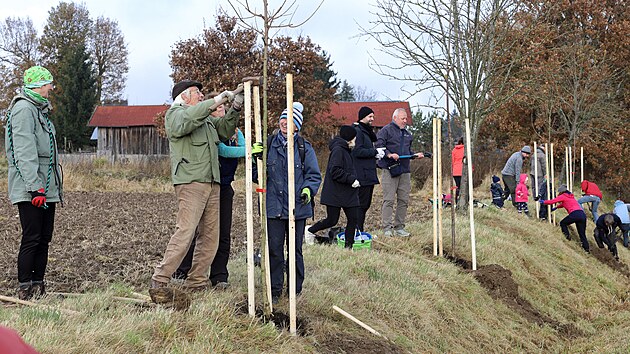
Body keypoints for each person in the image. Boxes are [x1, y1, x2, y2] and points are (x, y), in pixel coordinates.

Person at [150, 80, 243, 292]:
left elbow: (225, 131)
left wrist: (235, 107)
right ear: (183, 97)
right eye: (197, 92)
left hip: (212, 182)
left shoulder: (205, 120)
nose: (201, 96)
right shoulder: (175, 115)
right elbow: (192, 117)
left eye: (202, 93)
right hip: (191, 182)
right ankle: (161, 278)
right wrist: (218, 99)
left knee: (211, 236)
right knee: (186, 231)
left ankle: (197, 281)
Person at [173, 92, 245, 289]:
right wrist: (248, 152)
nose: (221, 110)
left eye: (224, 107)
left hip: (224, 187)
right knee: (196, 231)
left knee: (221, 233)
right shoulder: (205, 126)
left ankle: (219, 275)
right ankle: (183, 271)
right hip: (205, 184)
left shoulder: (234, 132)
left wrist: (236, 107)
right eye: (218, 107)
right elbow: (223, 150)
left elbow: (241, 145)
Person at [5, 66, 62, 300]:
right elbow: (24, 151)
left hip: (45, 186)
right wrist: (34, 187)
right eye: (49, 84)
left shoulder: (39, 110)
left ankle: (39, 285)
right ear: (38, 85)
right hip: (32, 186)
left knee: (44, 237)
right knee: (32, 237)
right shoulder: (23, 109)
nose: (51, 88)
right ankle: (25, 288)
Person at [256, 102, 321, 304]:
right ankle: (275, 290)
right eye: (283, 119)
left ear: (297, 126)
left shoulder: (304, 148)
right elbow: (256, 176)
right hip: (274, 207)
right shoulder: (268, 145)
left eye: (290, 120)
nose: (285, 122)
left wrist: (308, 191)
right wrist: (255, 159)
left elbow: (313, 175)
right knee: (274, 250)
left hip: (297, 208)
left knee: (294, 250)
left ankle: (294, 289)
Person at [307, 126, 360, 249]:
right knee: (332, 220)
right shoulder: (338, 150)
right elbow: (335, 171)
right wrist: (351, 179)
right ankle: (309, 231)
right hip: (335, 193)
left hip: (348, 193)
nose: (356, 141)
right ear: (350, 139)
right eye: (355, 138)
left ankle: (349, 246)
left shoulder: (346, 150)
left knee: (353, 218)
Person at [376, 108, 424, 237]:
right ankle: (387, 228)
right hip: (389, 169)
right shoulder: (385, 131)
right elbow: (379, 146)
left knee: (403, 200)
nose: (405, 121)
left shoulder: (408, 134)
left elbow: (408, 151)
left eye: (406, 118)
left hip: (405, 170)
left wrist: (414, 155)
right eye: (402, 118)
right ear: (395, 118)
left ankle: (399, 227)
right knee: (389, 200)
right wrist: (389, 155)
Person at [351, 106, 384, 231]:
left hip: (368, 174)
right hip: (361, 174)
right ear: (362, 117)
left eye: (373, 116)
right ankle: (357, 230)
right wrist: (374, 152)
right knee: (360, 205)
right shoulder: (358, 131)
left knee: (365, 205)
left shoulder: (367, 132)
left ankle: (359, 229)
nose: (372, 119)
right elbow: (357, 151)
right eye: (370, 116)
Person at [541, 184, 589, 252]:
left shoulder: (562, 196)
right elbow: (564, 204)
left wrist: (544, 202)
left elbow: (553, 201)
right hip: (582, 215)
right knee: (582, 233)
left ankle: (567, 237)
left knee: (563, 223)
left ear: (561, 192)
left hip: (575, 214)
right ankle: (586, 249)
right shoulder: (571, 196)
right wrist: (557, 207)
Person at [451, 137, 465, 202]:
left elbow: (452, 162)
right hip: (463, 170)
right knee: (464, 187)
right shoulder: (465, 149)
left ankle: (457, 201)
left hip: (455, 171)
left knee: (457, 186)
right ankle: (464, 201)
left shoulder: (454, 150)